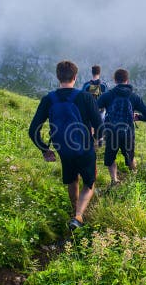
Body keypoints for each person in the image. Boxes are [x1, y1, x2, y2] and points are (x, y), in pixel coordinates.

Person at [29, 60, 102, 230]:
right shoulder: (85, 97)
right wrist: (97, 141)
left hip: (63, 149)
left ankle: (73, 211)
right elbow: (100, 126)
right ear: (75, 77)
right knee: (89, 183)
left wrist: (44, 149)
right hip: (84, 147)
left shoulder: (49, 99)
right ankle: (78, 216)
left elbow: (33, 129)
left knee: (72, 179)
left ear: (58, 77)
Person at [97, 68, 146, 184]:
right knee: (130, 157)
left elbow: (94, 109)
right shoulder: (134, 97)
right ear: (127, 80)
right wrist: (138, 117)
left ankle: (114, 180)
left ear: (115, 80)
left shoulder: (107, 95)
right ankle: (134, 179)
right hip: (128, 133)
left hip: (111, 133)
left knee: (110, 158)